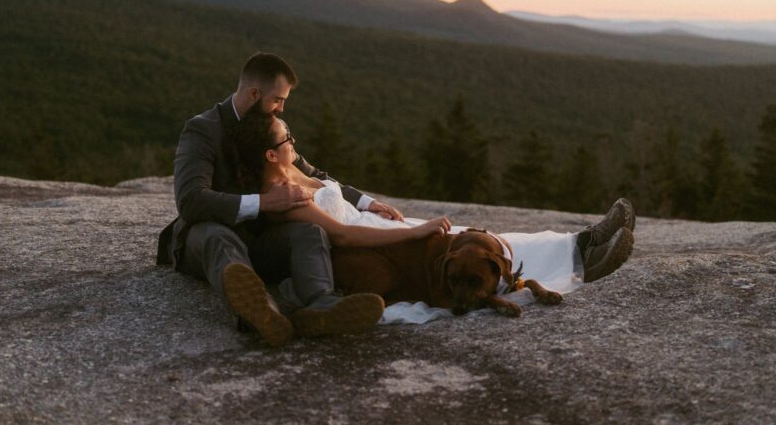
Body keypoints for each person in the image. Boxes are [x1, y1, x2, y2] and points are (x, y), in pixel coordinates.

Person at [232, 110, 636, 323]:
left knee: (487, 239)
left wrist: (370, 203)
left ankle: (584, 241)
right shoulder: (280, 195)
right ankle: (585, 262)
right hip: (373, 246)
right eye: (287, 138)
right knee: (468, 248)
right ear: (271, 154)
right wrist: (415, 231)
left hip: (380, 227)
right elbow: (344, 237)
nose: (294, 141)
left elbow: (331, 185)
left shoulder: (293, 171)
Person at [156, 53, 408, 348]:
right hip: (207, 240)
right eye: (277, 99)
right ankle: (259, 310)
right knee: (216, 235)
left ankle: (320, 305)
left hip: (260, 241)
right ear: (254, 93)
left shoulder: (270, 128)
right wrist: (263, 203)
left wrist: (365, 202)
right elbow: (191, 201)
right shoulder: (203, 130)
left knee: (309, 232)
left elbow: (312, 172)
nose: (282, 107)